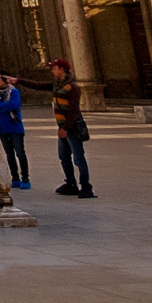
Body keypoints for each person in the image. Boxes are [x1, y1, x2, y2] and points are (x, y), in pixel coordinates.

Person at [49, 59, 94, 198]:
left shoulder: (72, 87)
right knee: (64, 156)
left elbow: (73, 111)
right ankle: (70, 183)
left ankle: (86, 187)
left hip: (71, 128)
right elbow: (39, 85)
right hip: (62, 127)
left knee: (78, 157)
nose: (52, 71)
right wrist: (17, 80)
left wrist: (65, 128)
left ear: (62, 69)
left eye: (54, 68)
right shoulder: (57, 85)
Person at [0, 72, 31, 190]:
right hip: (2, 127)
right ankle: (15, 178)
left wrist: (0, 105)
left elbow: (14, 104)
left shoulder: (13, 92)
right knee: (9, 154)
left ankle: (25, 178)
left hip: (15, 127)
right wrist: (3, 108)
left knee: (20, 152)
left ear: (5, 80)